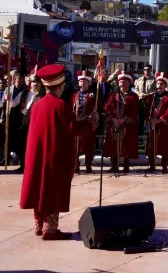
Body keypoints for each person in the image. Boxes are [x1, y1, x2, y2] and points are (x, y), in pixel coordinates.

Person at [19, 64, 97, 240]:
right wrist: (91, 123)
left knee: (39, 188)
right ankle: (50, 229)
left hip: (38, 154)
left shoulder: (38, 105)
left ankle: (39, 224)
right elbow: (73, 128)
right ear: (60, 86)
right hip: (54, 155)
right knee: (53, 190)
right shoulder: (61, 105)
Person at [104, 70, 140, 173]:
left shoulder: (134, 96)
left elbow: (135, 110)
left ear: (129, 83)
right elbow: (108, 107)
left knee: (126, 144)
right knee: (113, 144)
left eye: (124, 81)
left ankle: (126, 166)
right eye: (120, 81)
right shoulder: (113, 96)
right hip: (114, 124)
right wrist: (114, 118)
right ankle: (114, 165)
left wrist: (124, 119)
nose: (122, 83)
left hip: (127, 125)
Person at [147, 73, 168, 174]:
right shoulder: (152, 97)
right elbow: (147, 109)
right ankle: (151, 164)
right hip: (152, 125)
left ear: (165, 85)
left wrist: (160, 119)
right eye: (158, 83)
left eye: (161, 84)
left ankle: (164, 165)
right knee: (151, 144)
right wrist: (150, 118)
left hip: (163, 125)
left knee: (164, 145)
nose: (159, 85)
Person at [72, 71, 98, 174]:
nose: (82, 83)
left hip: (88, 123)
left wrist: (94, 115)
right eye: (80, 81)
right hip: (77, 123)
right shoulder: (74, 95)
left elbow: (96, 109)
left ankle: (88, 165)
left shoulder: (92, 95)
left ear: (88, 83)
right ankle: (76, 165)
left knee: (88, 145)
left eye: (84, 81)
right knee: (76, 145)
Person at [134, 65, 156, 132]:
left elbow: (156, 90)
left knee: (148, 116)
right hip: (140, 100)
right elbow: (136, 89)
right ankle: (140, 132)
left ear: (151, 70)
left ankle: (148, 132)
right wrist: (139, 94)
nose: (146, 71)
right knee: (140, 116)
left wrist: (148, 94)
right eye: (145, 70)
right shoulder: (139, 80)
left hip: (150, 100)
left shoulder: (154, 80)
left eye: (148, 70)